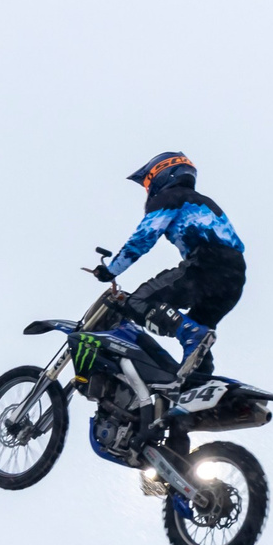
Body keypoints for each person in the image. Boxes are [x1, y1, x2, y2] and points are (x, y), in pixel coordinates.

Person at [94, 152, 246, 384]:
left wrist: (111, 271)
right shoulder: (203, 201)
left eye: (148, 183)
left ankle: (193, 338)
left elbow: (143, 238)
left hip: (207, 264)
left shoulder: (170, 198)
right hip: (234, 277)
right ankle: (198, 388)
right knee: (200, 331)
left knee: (139, 302)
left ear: (162, 175)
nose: (148, 189)